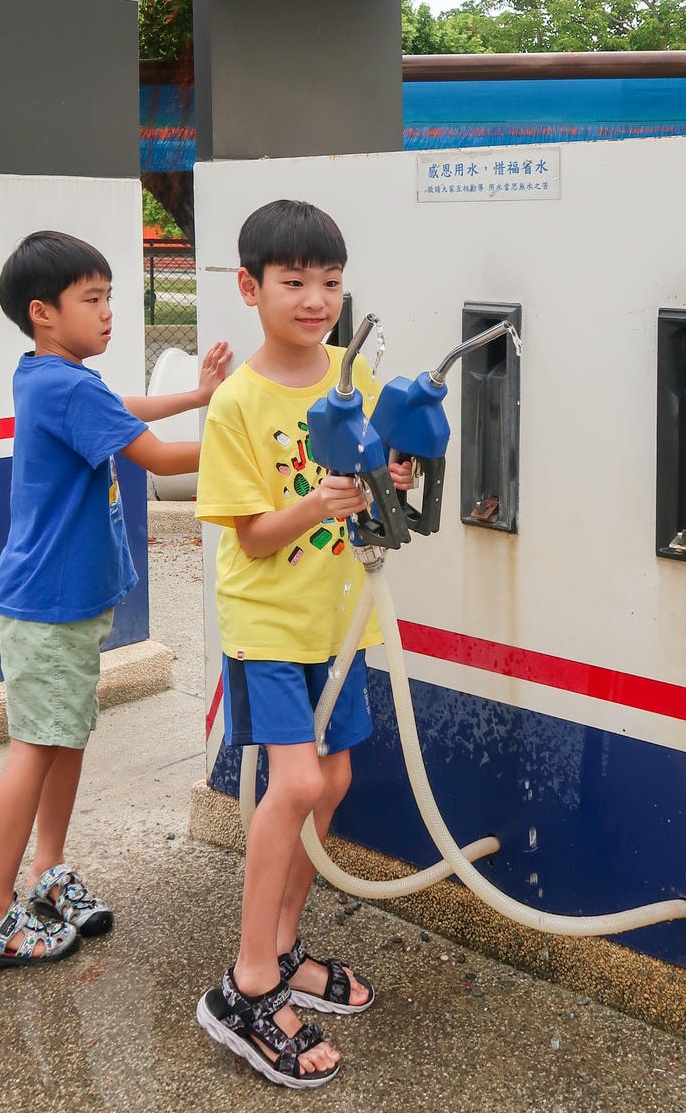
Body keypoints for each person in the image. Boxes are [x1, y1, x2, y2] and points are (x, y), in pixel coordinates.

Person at [0, 229, 231, 970]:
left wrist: (199, 395)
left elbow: (120, 406)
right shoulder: (67, 385)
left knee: (64, 739)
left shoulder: (49, 374)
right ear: (43, 312)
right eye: (93, 299)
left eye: (110, 296)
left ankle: (48, 869)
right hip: (47, 608)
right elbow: (157, 456)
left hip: (61, 604)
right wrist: (257, 444)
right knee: (35, 746)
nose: (109, 311)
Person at [194, 198, 414, 1089]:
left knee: (335, 779)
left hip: (339, 620)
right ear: (251, 289)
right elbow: (251, 536)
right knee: (293, 784)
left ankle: (282, 948)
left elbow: (379, 472)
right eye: (294, 281)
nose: (316, 298)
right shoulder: (236, 405)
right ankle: (246, 987)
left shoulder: (354, 380)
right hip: (269, 627)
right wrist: (319, 501)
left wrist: (393, 473)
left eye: (329, 281)